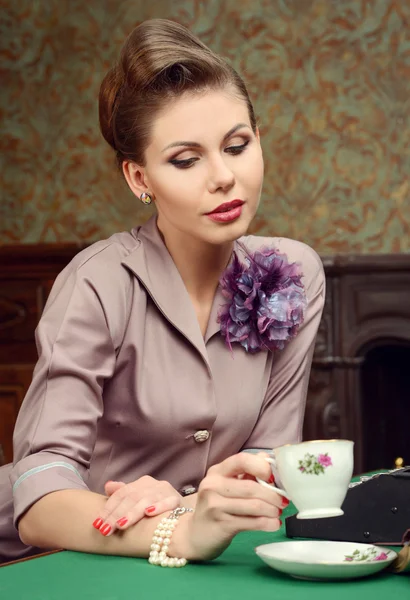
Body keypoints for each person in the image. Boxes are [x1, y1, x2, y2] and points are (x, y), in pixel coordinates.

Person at [0, 18, 325, 565]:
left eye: (237, 145)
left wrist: (185, 504)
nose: (223, 176)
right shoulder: (97, 283)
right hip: (46, 559)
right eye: (185, 159)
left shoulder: (293, 272)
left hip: (196, 556)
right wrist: (176, 530)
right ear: (139, 178)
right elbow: (37, 494)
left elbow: (269, 457)